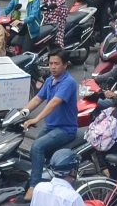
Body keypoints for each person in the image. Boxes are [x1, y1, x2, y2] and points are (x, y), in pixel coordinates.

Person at [20, 49, 80, 186]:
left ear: (65, 65)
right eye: (50, 63)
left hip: (65, 129)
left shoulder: (68, 82)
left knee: (37, 147)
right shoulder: (49, 81)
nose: (52, 67)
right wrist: (21, 113)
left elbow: (54, 103)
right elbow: (37, 99)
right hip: (51, 127)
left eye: (56, 64)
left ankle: (34, 186)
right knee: (34, 152)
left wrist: (36, 119)